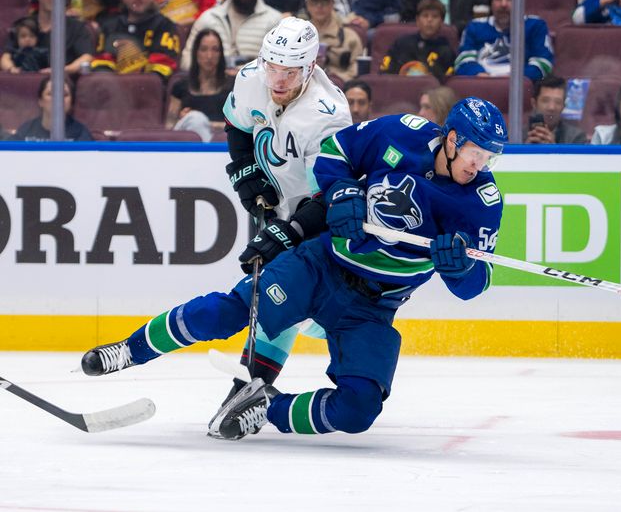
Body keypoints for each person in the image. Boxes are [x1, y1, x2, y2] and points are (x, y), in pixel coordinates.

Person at [80, 95, 508, 441]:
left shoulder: (482, 203)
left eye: (488, 158)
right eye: (474, 153)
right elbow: (334, 153)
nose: (479, 166)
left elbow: (475, 284)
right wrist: (340, 191)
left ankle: (266, 407)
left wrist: (457, 269)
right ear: (451, 138)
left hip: (373, 307)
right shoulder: (401, 132)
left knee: (359, 408)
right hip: (319, 265)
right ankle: (129, 350)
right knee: (229, 310)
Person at [182, 16, 351, 404]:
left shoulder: (329, 115)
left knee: (313, 312)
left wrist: (289, 230)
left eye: (289, 73)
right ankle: (246, 392)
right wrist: (244, 172)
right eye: (272, 68)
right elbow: (237, 124)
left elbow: (328, 197)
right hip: (280, 211)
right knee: (276, 295)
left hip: (317, 220)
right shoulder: (251, 77)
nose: (276, 81)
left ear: (309, 67)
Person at [455, 0, 554, 82]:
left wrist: (513, 80)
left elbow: (544, 63)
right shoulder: (475, 26)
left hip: (520, 88)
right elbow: (463, 60)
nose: (503, 4)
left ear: (519, 2)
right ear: (491, 3)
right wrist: (481, 75)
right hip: (482, 85)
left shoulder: (535, 25)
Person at [180, 0, 282, 72]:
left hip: (255, 84)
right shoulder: (209, 18)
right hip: (213, 85)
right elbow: (186, 61)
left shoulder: (274, 21)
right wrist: (216, 72)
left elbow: (281, 65)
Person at [91, 0, 180, 79]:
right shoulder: (109, 26)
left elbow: (163, 66)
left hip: (149, 86)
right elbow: (101, 62)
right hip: (113, 85)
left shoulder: (164, 25)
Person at [166, 28, 234, 141]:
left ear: (221, 54)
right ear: (195, 52)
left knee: (196, 119)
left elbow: (240, 125)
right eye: (203, 49)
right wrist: (182, 119)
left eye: (215, 50)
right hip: (187, 144)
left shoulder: (233, 85)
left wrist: (208, 124)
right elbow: (169, 126)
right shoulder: (180, 86)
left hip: (222, 141)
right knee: (194, 119)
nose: (209, 56)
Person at [23, 0, 95, 75]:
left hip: (62, 81)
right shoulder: (24, 25)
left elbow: (86, 57)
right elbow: (6, 56)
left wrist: (63, 71)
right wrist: (12, 68)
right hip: (26, 80)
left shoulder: (77, 27)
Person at [380, 0, 455, 83]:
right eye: (425, 16)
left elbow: (447, 81)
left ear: (441, 22)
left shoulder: (446, 51)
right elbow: (385, 73)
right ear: (417, 20)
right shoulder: (401, 44)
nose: (429, 20)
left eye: (435, 16)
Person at [303, 0, 362, 82]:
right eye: (314, 1)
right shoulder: (298, 35)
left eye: (324, 0)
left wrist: (336, 80)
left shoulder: (349, 36)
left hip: (340, 87)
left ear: (332, 3)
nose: (319, 6)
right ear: (307, 5)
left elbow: (356, 69)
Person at [11, 77, 93, 142]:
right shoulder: (25, 131)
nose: (58, 98)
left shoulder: (81, 133)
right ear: (40, 101)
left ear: (71, 103)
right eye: (51, 93)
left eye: (65, 94)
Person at [400, 0, 486, 34]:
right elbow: (407, 17)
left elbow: (480, 18)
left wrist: (453, 30)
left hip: (459, 38)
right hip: (422, 39)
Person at [526, 75, 588, 145]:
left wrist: (554, 149)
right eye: (545, 101)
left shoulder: (576, 137)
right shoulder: (517, 135)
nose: (551, 108)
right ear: (534, 103)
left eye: (558, 102)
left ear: (563, 106)